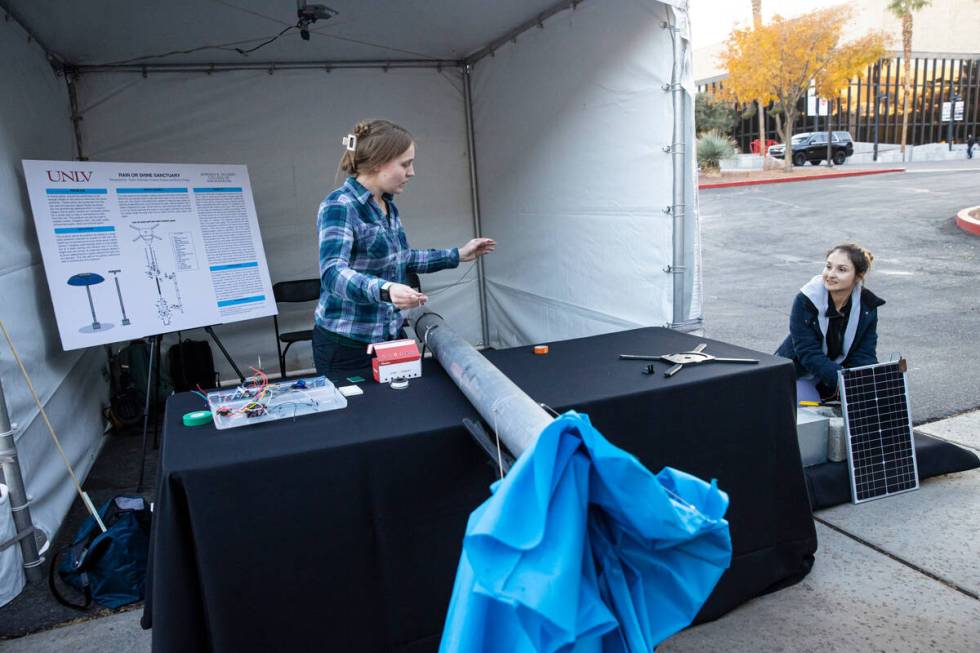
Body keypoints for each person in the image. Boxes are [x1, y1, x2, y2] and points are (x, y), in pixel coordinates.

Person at [313, 119, 495, 380]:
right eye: (405, 163)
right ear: (378, 162)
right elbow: (332, 273)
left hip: (389, 338)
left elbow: (402, 258)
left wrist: (458, 254)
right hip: (347, 348)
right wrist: (386, 290)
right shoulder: (340, 206)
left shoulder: (387, 205)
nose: (412, 172)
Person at [775, 244, 884, 401]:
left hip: (838, 374)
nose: (831, 274)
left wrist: (865, 382)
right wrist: (846, 382)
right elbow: (808, 353)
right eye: (828, 267)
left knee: (873, 401)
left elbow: (864, 354)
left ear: (858, 276)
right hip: (800, 372)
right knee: (810, 414)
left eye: (842, 269)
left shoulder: (867, 305)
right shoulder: (806, 300)